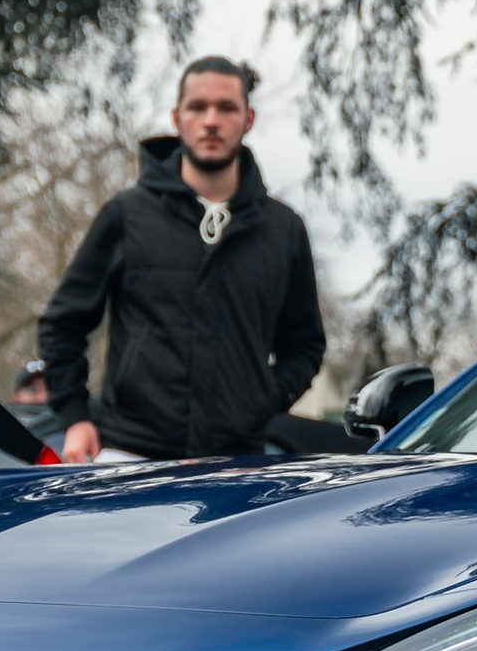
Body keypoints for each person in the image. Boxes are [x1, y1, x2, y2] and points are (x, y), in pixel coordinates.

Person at [39, 56, 327, 463]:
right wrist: (75, 417)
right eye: (198, 107)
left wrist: (262, 399)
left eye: (227, 108)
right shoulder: (127, 215)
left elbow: (305, 345)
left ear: (248, 119)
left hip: (238, 464)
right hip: (129, 455)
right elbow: (62, 325)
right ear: (177, 118)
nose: (211, 120)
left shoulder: (283, 230)